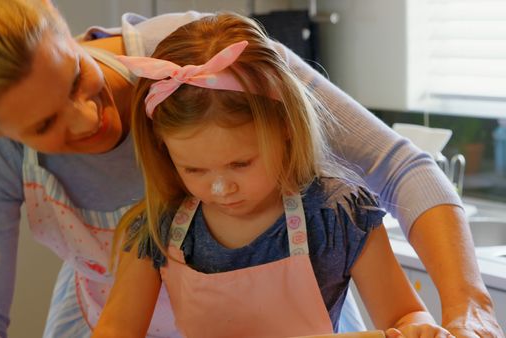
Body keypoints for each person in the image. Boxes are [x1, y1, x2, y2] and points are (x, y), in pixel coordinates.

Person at [0, 1, 502, 337]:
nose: (88, 117)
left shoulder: (205, 57)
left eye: (76, 77)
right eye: (44, 126)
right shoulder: (144, 238)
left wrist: (466, 309)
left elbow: (398, 167)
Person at [93, 13, 452, 338]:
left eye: (241, 164)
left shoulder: (335, 216)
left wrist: (417, 330)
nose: (221, 187)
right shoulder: (160, 229)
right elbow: (114, 331)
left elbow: (405, 314)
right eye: (194, 170)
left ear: (286, 128)